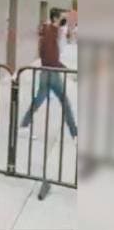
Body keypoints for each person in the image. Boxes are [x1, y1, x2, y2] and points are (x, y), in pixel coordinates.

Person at [20, 8, 78, 138]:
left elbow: (47, 54)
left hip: (48, 71)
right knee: (64, 101)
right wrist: (63, 68)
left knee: (39, 100)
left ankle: (24, 125)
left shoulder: (50, 31)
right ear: (55, 18)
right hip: (51, 72)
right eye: (61, 17)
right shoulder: (50, 32)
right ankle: (74, 132)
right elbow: (50, 57)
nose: (63, 20)